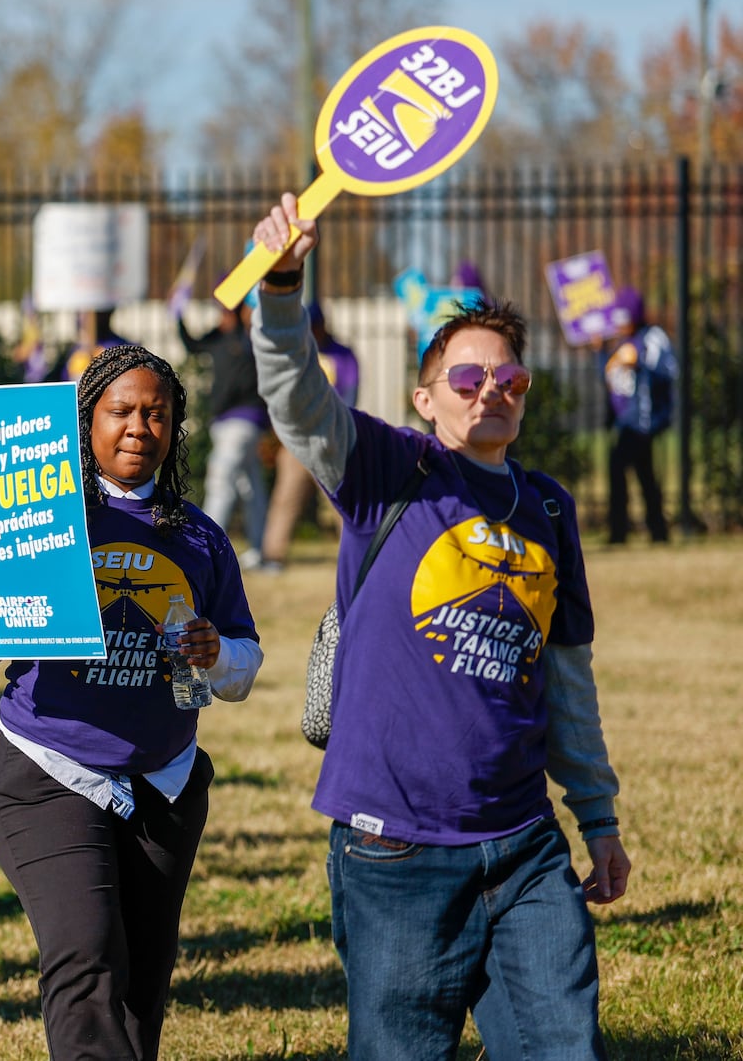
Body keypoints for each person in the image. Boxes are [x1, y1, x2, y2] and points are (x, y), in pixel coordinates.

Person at [248, 193, 631, 1059]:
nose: (491, 389)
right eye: (467, 377)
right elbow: (299, 397)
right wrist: (281, 288)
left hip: (526, 846)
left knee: (561, 1047)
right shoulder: (386, 466)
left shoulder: (547, 507)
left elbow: (566, 680)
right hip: (396, 848)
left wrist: (596, 818)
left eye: (511, 379)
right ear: (426, 396)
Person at [0, 344, 262, 1060]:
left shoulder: (200, 535)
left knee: (141, 985)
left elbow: (244, 665)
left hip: (165, 782)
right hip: (51, 772)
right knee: (87, 953)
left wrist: (216, 652)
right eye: (122, 411)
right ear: (87, 422)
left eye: (157, 414)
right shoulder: (40, 515)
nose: (140, 427)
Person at [258, 301, 359, 571]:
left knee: (341, 500)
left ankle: (353, 556)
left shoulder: (342, 354)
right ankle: (272, 556)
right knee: (285, 497)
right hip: (296, 440)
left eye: (316, 324)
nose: (314, 330)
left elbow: (349, 393)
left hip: (331, 438)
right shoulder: (297, 355)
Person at [178, 297, 268, 567]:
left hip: (244, 420)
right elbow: (193, 346)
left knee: (221, 478)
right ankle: (257, 551)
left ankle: (203, 548)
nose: (222, 315)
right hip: (223, 422)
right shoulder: (219, 336)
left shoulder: (248, 338)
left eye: (229, 308)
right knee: (250, 486)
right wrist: (178, 316)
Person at [600, 286, 675, 544]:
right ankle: (657, 531)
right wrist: (600, 352)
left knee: (618, 466)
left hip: (641, 422)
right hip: (625, 421)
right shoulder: (622, 342)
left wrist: (641, 364)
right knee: (645, 475)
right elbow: (610, 377)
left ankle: (620, 531)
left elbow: (668, 371)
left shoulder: (651, 338)